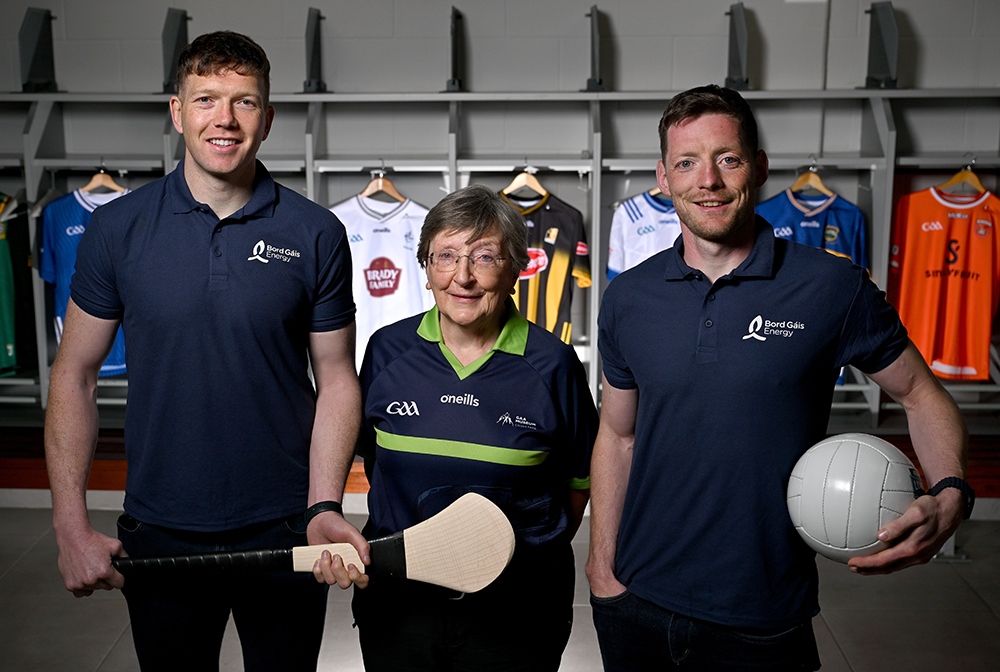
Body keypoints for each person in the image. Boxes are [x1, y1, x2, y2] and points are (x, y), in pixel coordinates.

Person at [586, 84, 972, 671]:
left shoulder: (832, 289)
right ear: (663, 178)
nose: (707, 180)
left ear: (759, 168)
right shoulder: (628, 297)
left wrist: (951, 493)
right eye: (687, 162)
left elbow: (920, 393)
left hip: (763, 613)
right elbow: (618, 437)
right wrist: (602, 567)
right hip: (635, 599)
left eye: (728, 159)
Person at [44, 31, 368, 671]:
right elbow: (74, 376)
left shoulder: (316, 232)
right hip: (160, 526)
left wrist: (325, 506)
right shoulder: (117, 228)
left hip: (284, 525)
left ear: (268, 119)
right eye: (206, 100)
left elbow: (336, 379)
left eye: (245, 102)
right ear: (177, 112)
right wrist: (70, 525)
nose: (224, 119)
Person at [312, 184, 598, 671]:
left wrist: (523, 559)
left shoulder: (553, 364)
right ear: (426, 268)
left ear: (514, 269)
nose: (462, 277)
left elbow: (579, 482)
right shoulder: (386, 351)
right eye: (446, 255)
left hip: (518, 614)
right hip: (400, 609)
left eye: (484, 257)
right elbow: (373, 462)